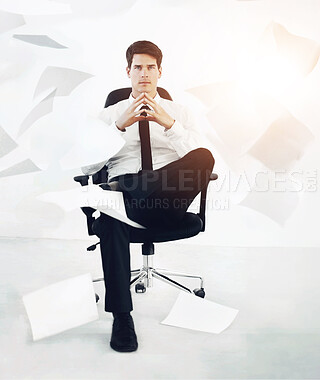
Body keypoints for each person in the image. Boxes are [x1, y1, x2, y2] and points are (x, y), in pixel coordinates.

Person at [81, 40, 214, 353]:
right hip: (125, 191)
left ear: (160, 72)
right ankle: (122, 319)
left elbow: (203, 162)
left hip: (167, 198)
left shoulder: (180, 113)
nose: (144, 73)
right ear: (128, 72)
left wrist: (169, 125)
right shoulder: (108, 115)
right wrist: (117, 127)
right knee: (113, 218)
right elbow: (85, 167)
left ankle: (129, 203)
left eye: (150, 67)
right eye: (137, 67)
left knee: (203, 156)